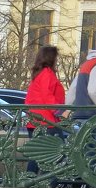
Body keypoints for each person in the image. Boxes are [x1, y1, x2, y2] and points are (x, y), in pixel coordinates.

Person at [24, 45, 67, 180]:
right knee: (59, 152)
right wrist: (61, 111)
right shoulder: (46, 74)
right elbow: (47, 97)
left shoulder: (40, 74)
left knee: (37, 155)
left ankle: (29, 182)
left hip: (37, 120)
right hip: (46, 121)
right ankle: (51, 184)